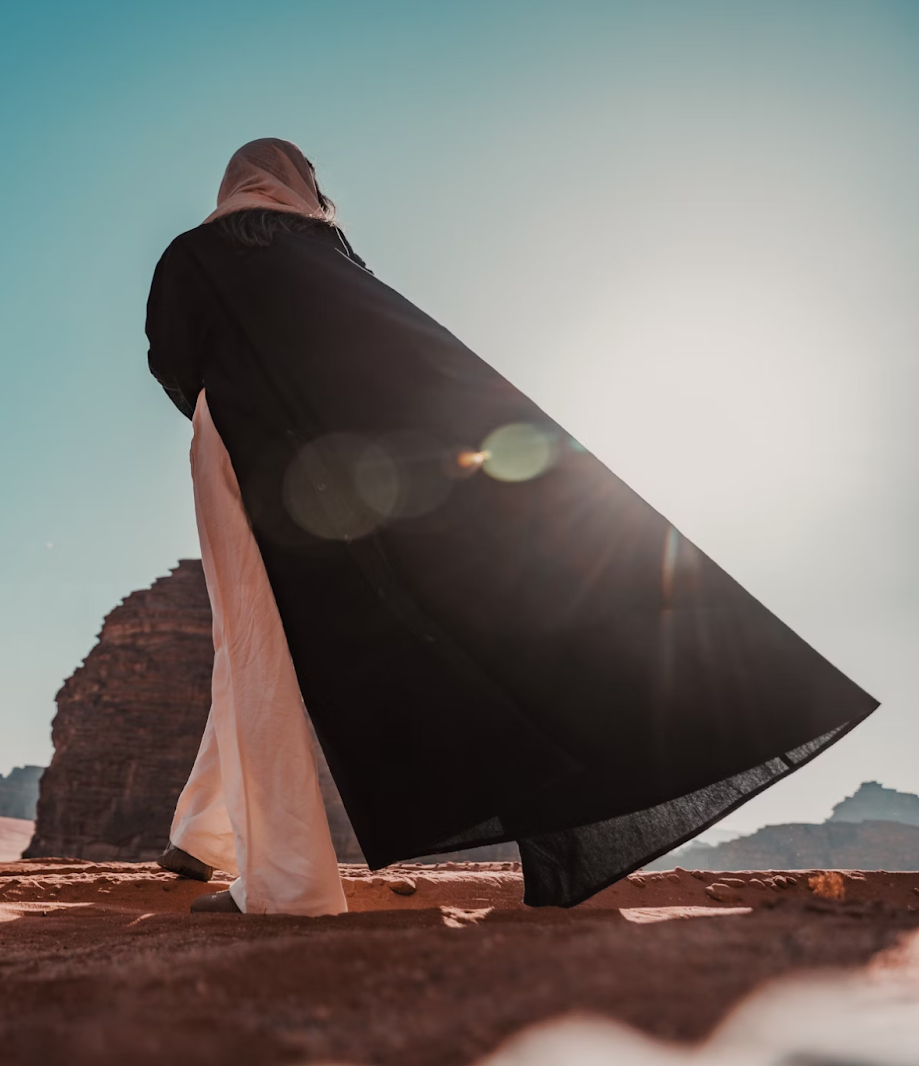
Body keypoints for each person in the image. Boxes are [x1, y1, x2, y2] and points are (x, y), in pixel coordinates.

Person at [146, 138, 878, 914]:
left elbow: (172, 358)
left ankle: (287, 884)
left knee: (253, 633)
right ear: (301, 186)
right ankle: (204, 836)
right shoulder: (329, 257)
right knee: (263, 638)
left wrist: (236, 400)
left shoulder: (192, 255)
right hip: (360, 469)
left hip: (240, 450)